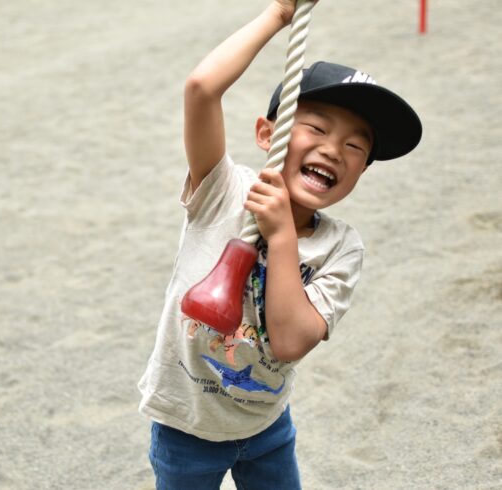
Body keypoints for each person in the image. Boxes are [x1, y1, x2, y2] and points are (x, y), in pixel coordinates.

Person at [137, 1, 422, 488]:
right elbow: (202, 89)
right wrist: (277, 16)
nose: (334, 149)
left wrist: (283, 238)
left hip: (267, 426)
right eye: (316, 127)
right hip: (186, 423)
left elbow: (291, 341)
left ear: (363, 169)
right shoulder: (225, 193)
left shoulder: (341, 248)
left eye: (356, 146)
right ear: (269, 133)